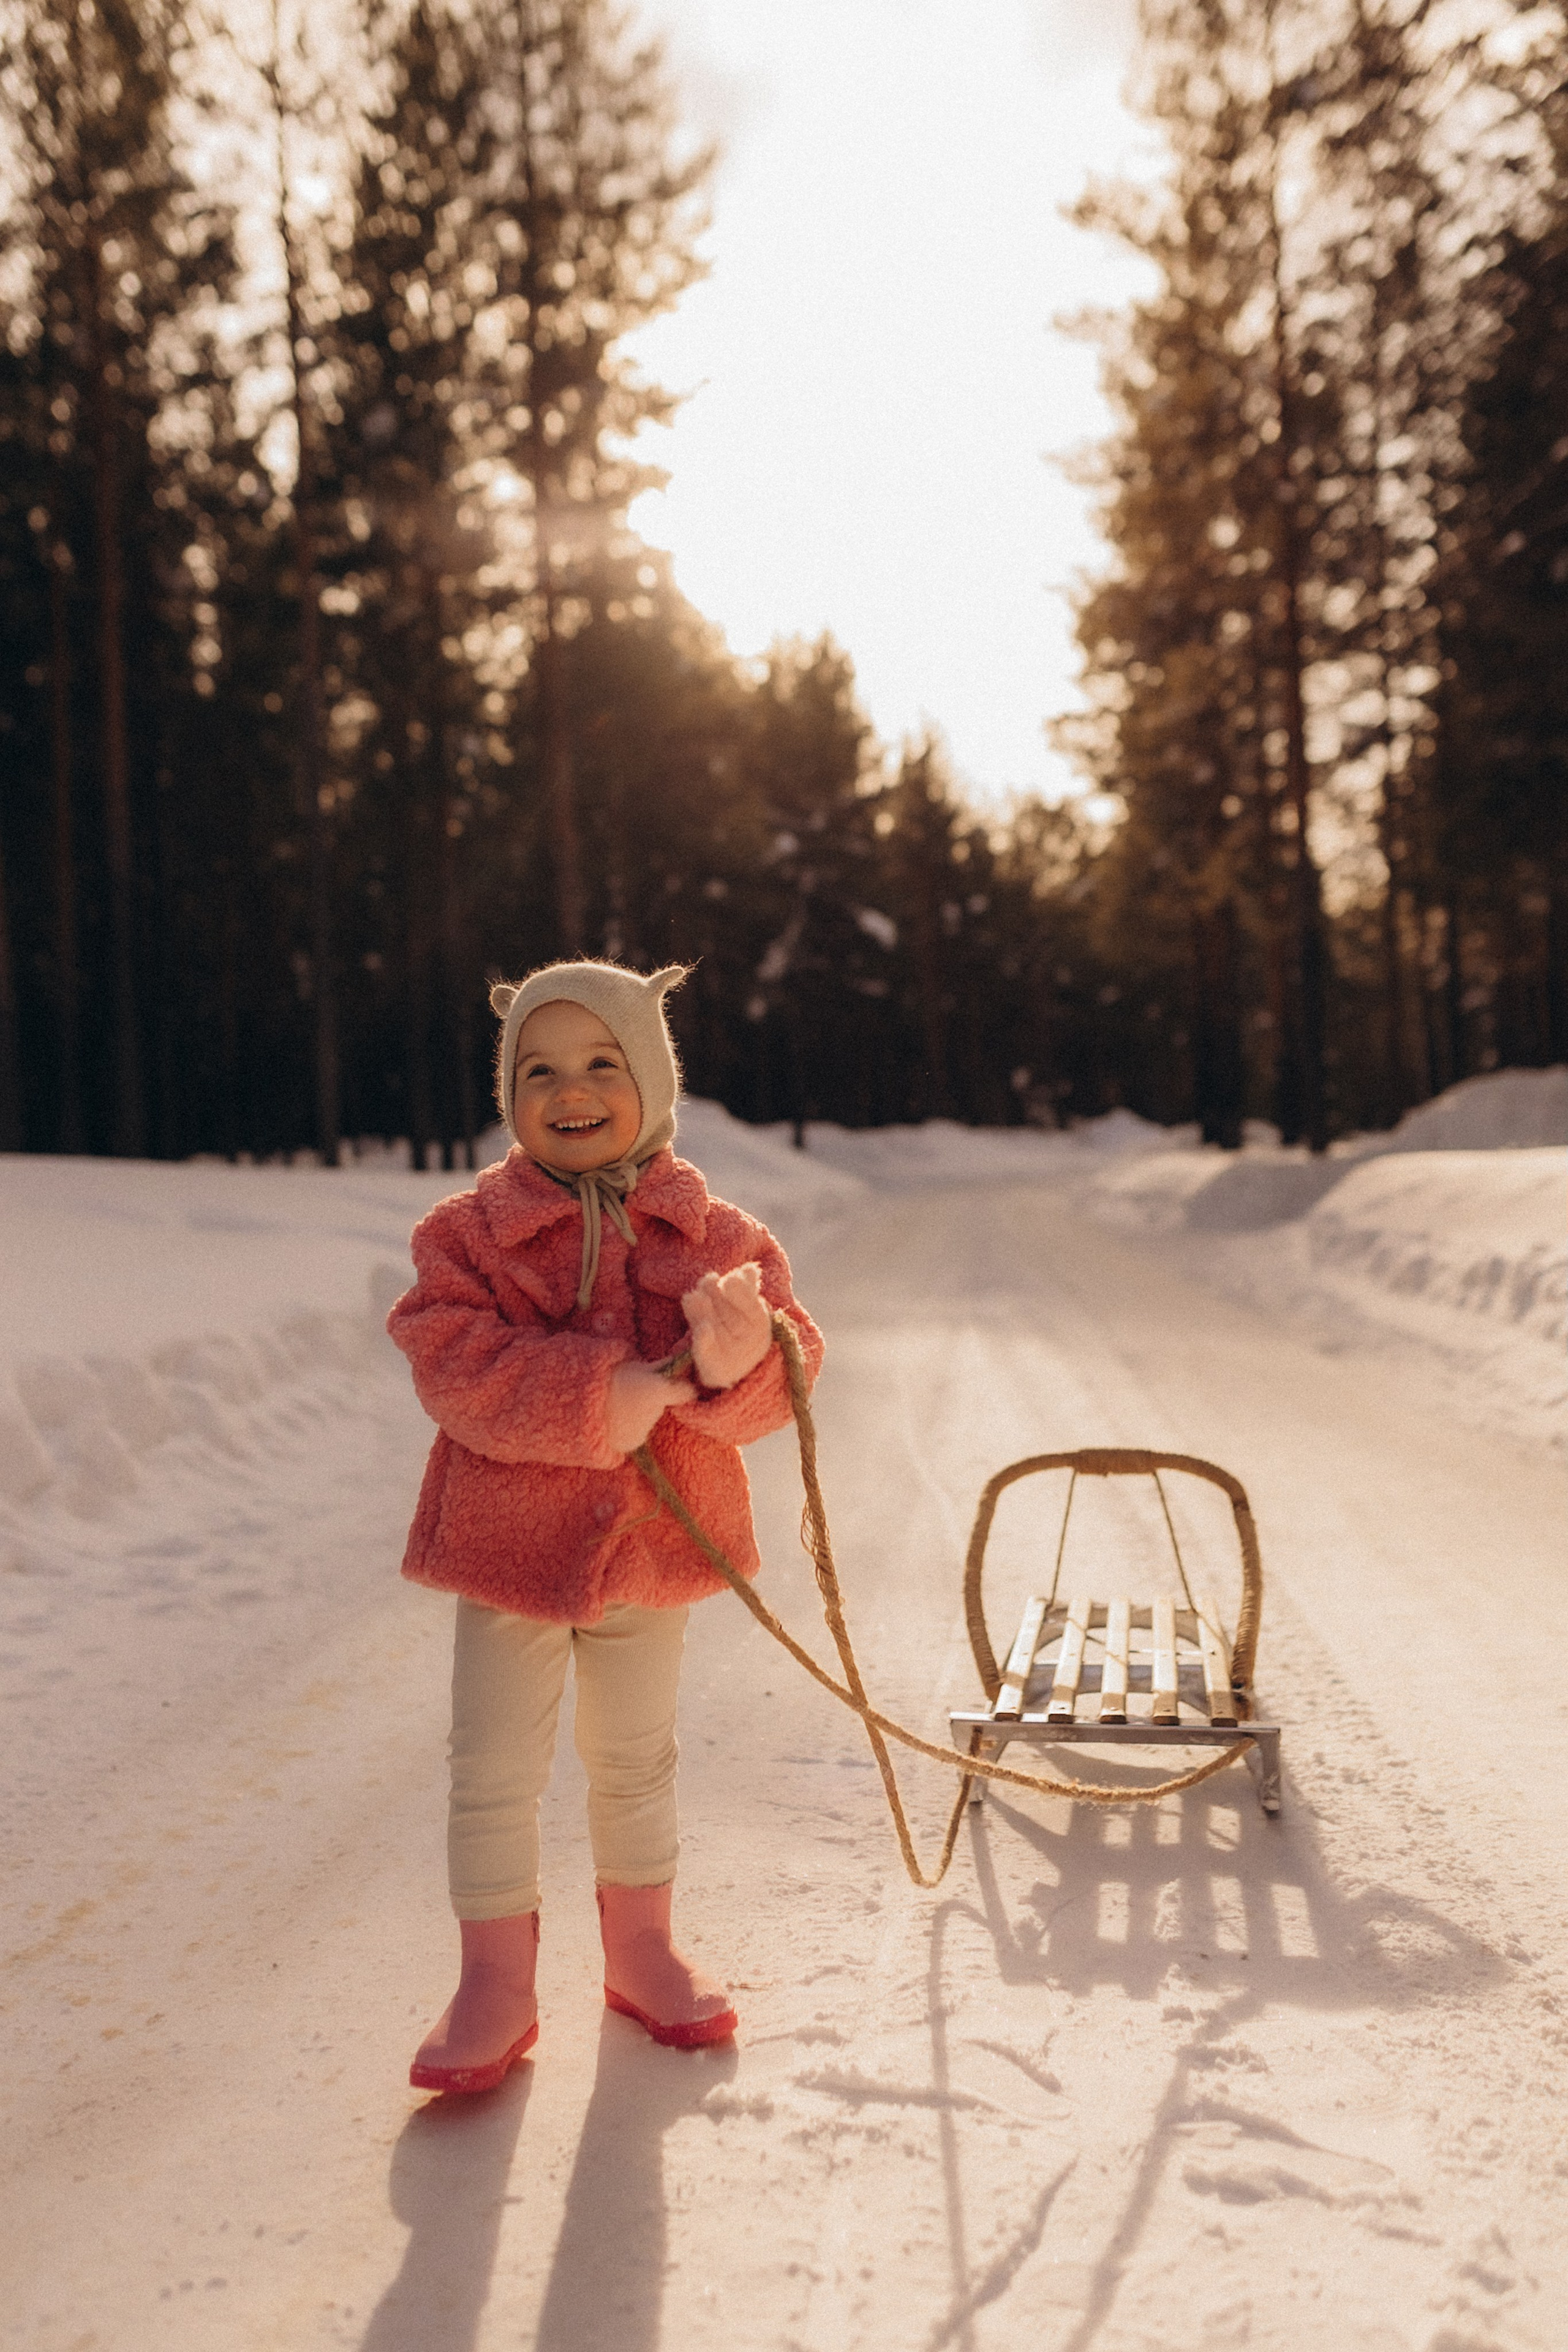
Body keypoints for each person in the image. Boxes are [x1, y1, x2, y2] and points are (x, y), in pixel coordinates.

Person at [386, 960, 823, 2092]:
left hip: (652, 1548)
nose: (569, 1089)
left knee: (633, 1760)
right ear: (508, 1090)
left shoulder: (712, 1229)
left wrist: (741, 1362)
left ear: (655, 1078)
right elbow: (449, 1358)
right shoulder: (472, 1232)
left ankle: (641, 1952)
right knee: (492, 1764)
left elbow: (794, 1366)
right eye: (539, 1068)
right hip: (508, 1552)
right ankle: (495, 1982)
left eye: (601, 1064)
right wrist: (596, 1397)